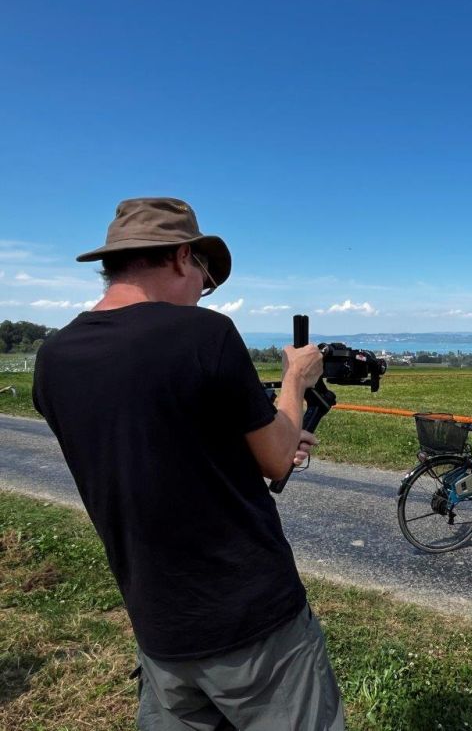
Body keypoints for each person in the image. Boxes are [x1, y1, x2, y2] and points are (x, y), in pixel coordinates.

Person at [32, 198, 344, 730]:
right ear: (181, 257)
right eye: (205, 274)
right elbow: (274, 460)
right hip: (252, 619)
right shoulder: (205, 333)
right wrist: (296, 381)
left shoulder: (55, 357)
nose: (203, 289)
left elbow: (156, 447)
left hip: (159, 623)